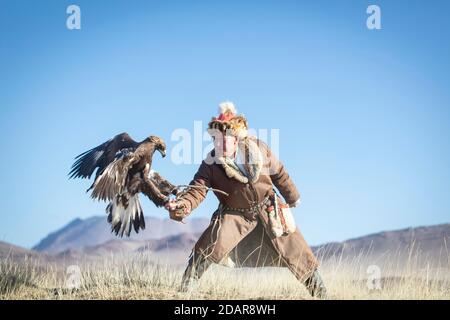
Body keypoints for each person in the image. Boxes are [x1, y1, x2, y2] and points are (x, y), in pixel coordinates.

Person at [165, 102, 327, 298]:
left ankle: (321, 294)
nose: (220, 143)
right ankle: (186, 290)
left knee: (296, 250)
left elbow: (280, 173)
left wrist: (292, 197)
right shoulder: (210, 163)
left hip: (269, 209)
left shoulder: (259, 149)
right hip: (235, 214)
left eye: (225, 139)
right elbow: (196, 190)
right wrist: (181, 205)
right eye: (216, 139)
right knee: (209, 244)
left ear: (236, 138)